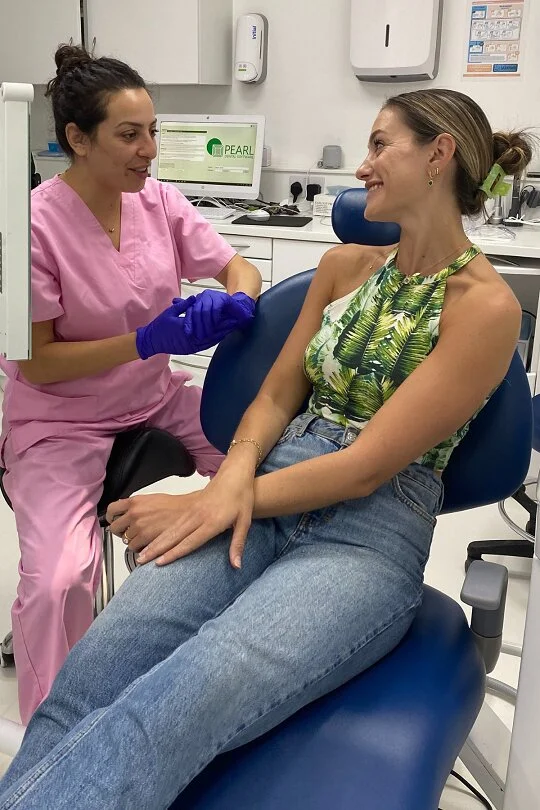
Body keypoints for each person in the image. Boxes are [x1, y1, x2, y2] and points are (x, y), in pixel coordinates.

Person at [0, 88, 533, 809]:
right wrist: (238, 472)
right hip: (274, 478)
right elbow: (279, 396)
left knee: (170, 706)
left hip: (367, 534)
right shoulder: (345, 268)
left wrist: (219, 497)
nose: (364, 166)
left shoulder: (486, 307)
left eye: (381, 146)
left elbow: (367, 466)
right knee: (89, 678)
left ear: (438, 155)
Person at [0, 44, 262, 725]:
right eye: (129, 134)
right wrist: (147, 338)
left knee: (273, 459)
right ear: (77, 141)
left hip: (155, 398)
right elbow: (37, 363)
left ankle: (250, 642)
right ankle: (55, 738)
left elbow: (235, 263)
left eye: (152, 131)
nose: (149, 149)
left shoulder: (157, 201)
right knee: (60, 581)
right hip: (58, 421)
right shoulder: (26, 227)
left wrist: (241, 301)